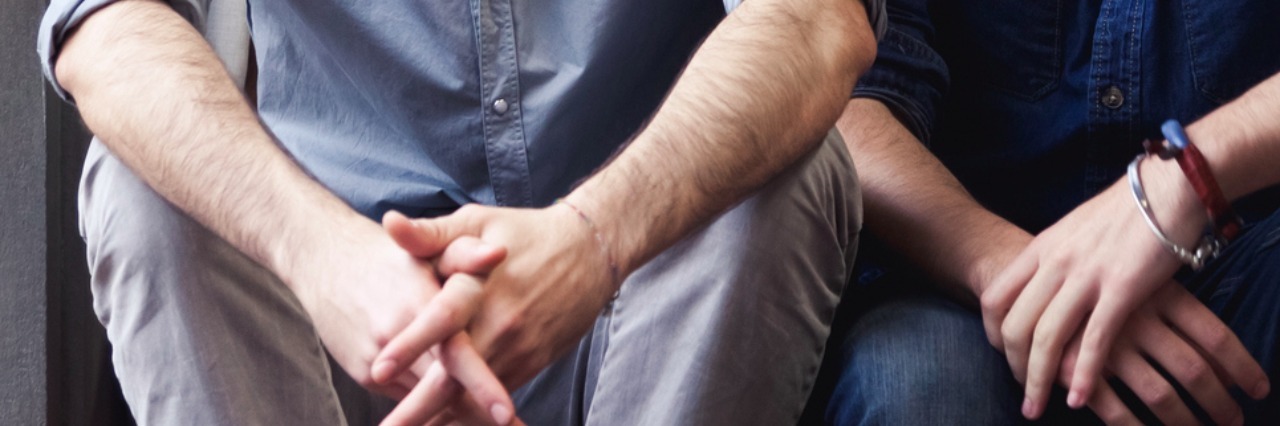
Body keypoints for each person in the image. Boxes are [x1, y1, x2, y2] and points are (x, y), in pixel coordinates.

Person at [38, 0, 887, 424]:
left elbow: (815, 21)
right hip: (338, 332)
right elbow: (103, 27)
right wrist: (323, 254)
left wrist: (592, 242)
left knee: (797, 164)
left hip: (639, 314)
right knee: (141, 182)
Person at [809, 0, 1280, 424]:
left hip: (1241, 263)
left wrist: (1182, 178)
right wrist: (1035, 281)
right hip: (958, 278)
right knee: (920, 387)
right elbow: (840, 106)